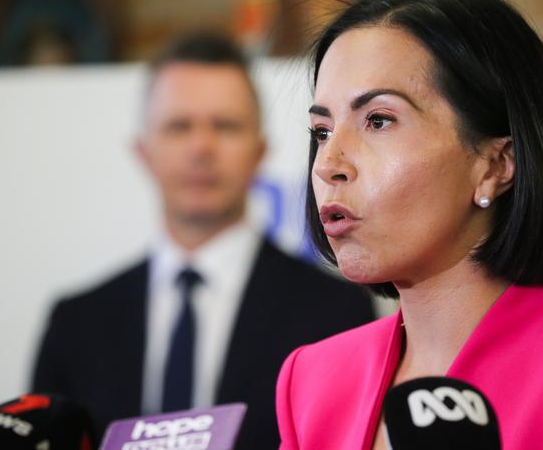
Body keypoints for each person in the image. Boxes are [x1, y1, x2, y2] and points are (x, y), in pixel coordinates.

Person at [276, 0, 543, 450]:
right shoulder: (310, 380)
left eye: (378, 120)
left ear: (497, 165)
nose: (328, 163)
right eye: (321, 130)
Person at [31, 33, 375, 449]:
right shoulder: (75, 324)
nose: (201, 147)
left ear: (259, 150)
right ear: (143, 151)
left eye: (224, 126)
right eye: (179, 126)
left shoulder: (335, 314)